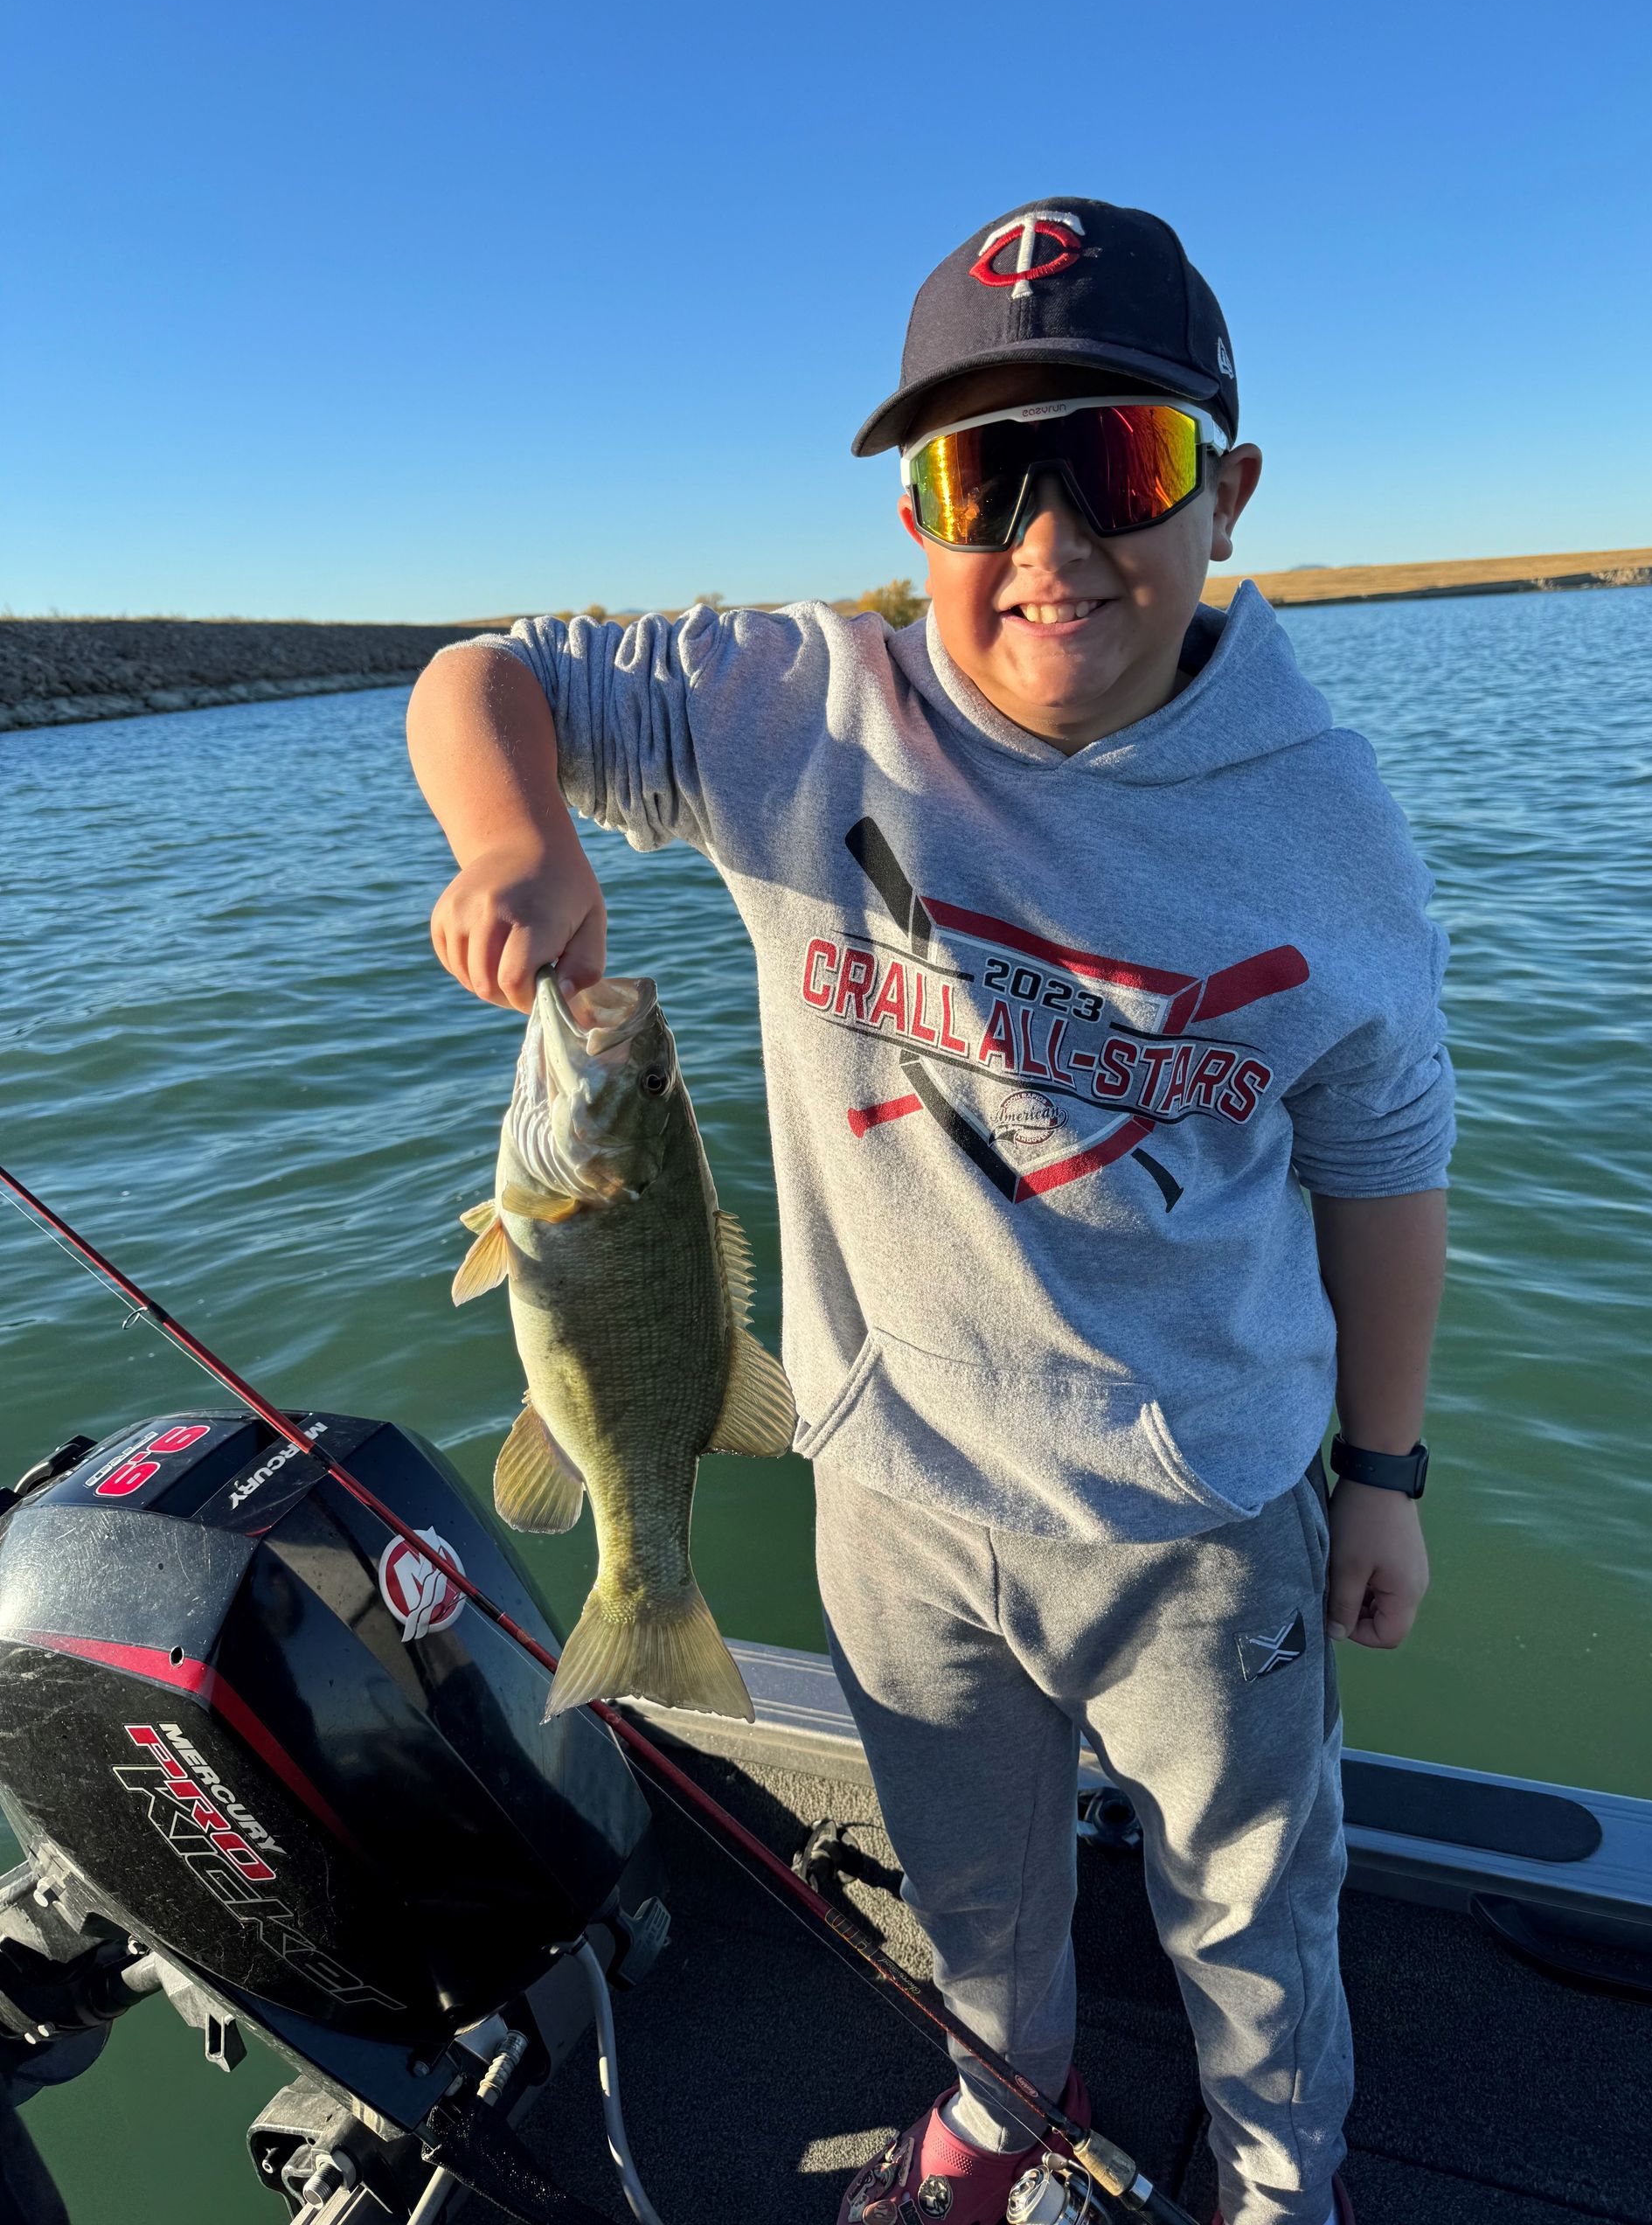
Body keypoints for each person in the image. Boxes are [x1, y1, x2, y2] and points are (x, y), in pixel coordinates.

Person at [406, 198, 1451, 2225]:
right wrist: (523, 834)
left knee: (1252, 1897)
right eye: (985, 477)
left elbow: (1383, 1158)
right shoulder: (791, 710)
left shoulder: (1329, 827)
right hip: (888, 1481)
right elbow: (483, 673)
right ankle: (1014, 2092)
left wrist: (1385, 1472)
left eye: (1121, 466)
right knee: (964, 1873)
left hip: (1206, 1510)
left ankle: (1277, 2166)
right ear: (912, 515)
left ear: (1224, 492)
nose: (1051, 544)